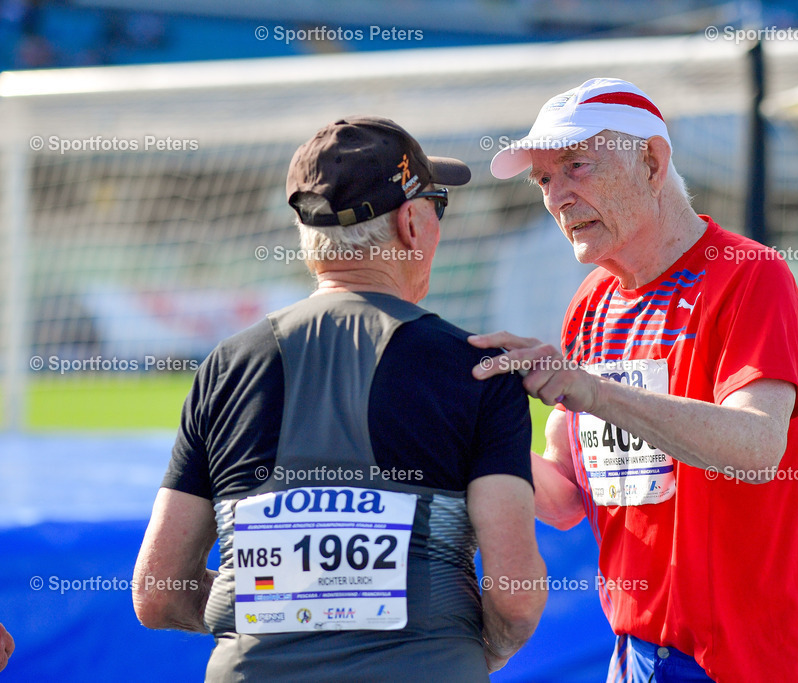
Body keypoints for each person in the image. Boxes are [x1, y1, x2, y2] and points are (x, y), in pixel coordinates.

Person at [133, 116, 546, 681]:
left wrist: (281, 614)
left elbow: (158, 593)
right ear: (411, 224)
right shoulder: (482, 368)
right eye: (437, 207)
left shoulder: (225, 367)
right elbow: (516, 596)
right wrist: (477, 649)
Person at [471, 78, 798, 682]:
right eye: (544, 180)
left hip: (759, 659)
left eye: (576, 166)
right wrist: (474, 427)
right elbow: (567, 498)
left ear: (651, 161)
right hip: (640, 654)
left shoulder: (749, 275)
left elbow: (756, 447)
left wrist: (594, 392)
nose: (557, 197)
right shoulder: (590, 302)